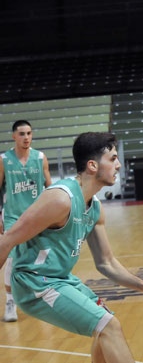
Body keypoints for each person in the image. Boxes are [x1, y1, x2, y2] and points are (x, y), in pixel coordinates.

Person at [0, 132, 143, 362]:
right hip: (34, 282)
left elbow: (106, 262)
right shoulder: (60, 199)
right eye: (113, 158)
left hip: (60, 279)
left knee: (104, 324)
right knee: (108, 326)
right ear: (93, 165)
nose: (118, 165)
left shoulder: (94, 207)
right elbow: (6, 240)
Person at [0, 120, 52, 322]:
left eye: (29, 133)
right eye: (21, 134)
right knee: (12, 258)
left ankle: (40, 296)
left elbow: (50, 188)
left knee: (40, 256)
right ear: (13, 136)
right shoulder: (4, 160)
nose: (26, 137)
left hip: (37, 215)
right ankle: (10, 301)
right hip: (13, 216)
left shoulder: (40, 158)